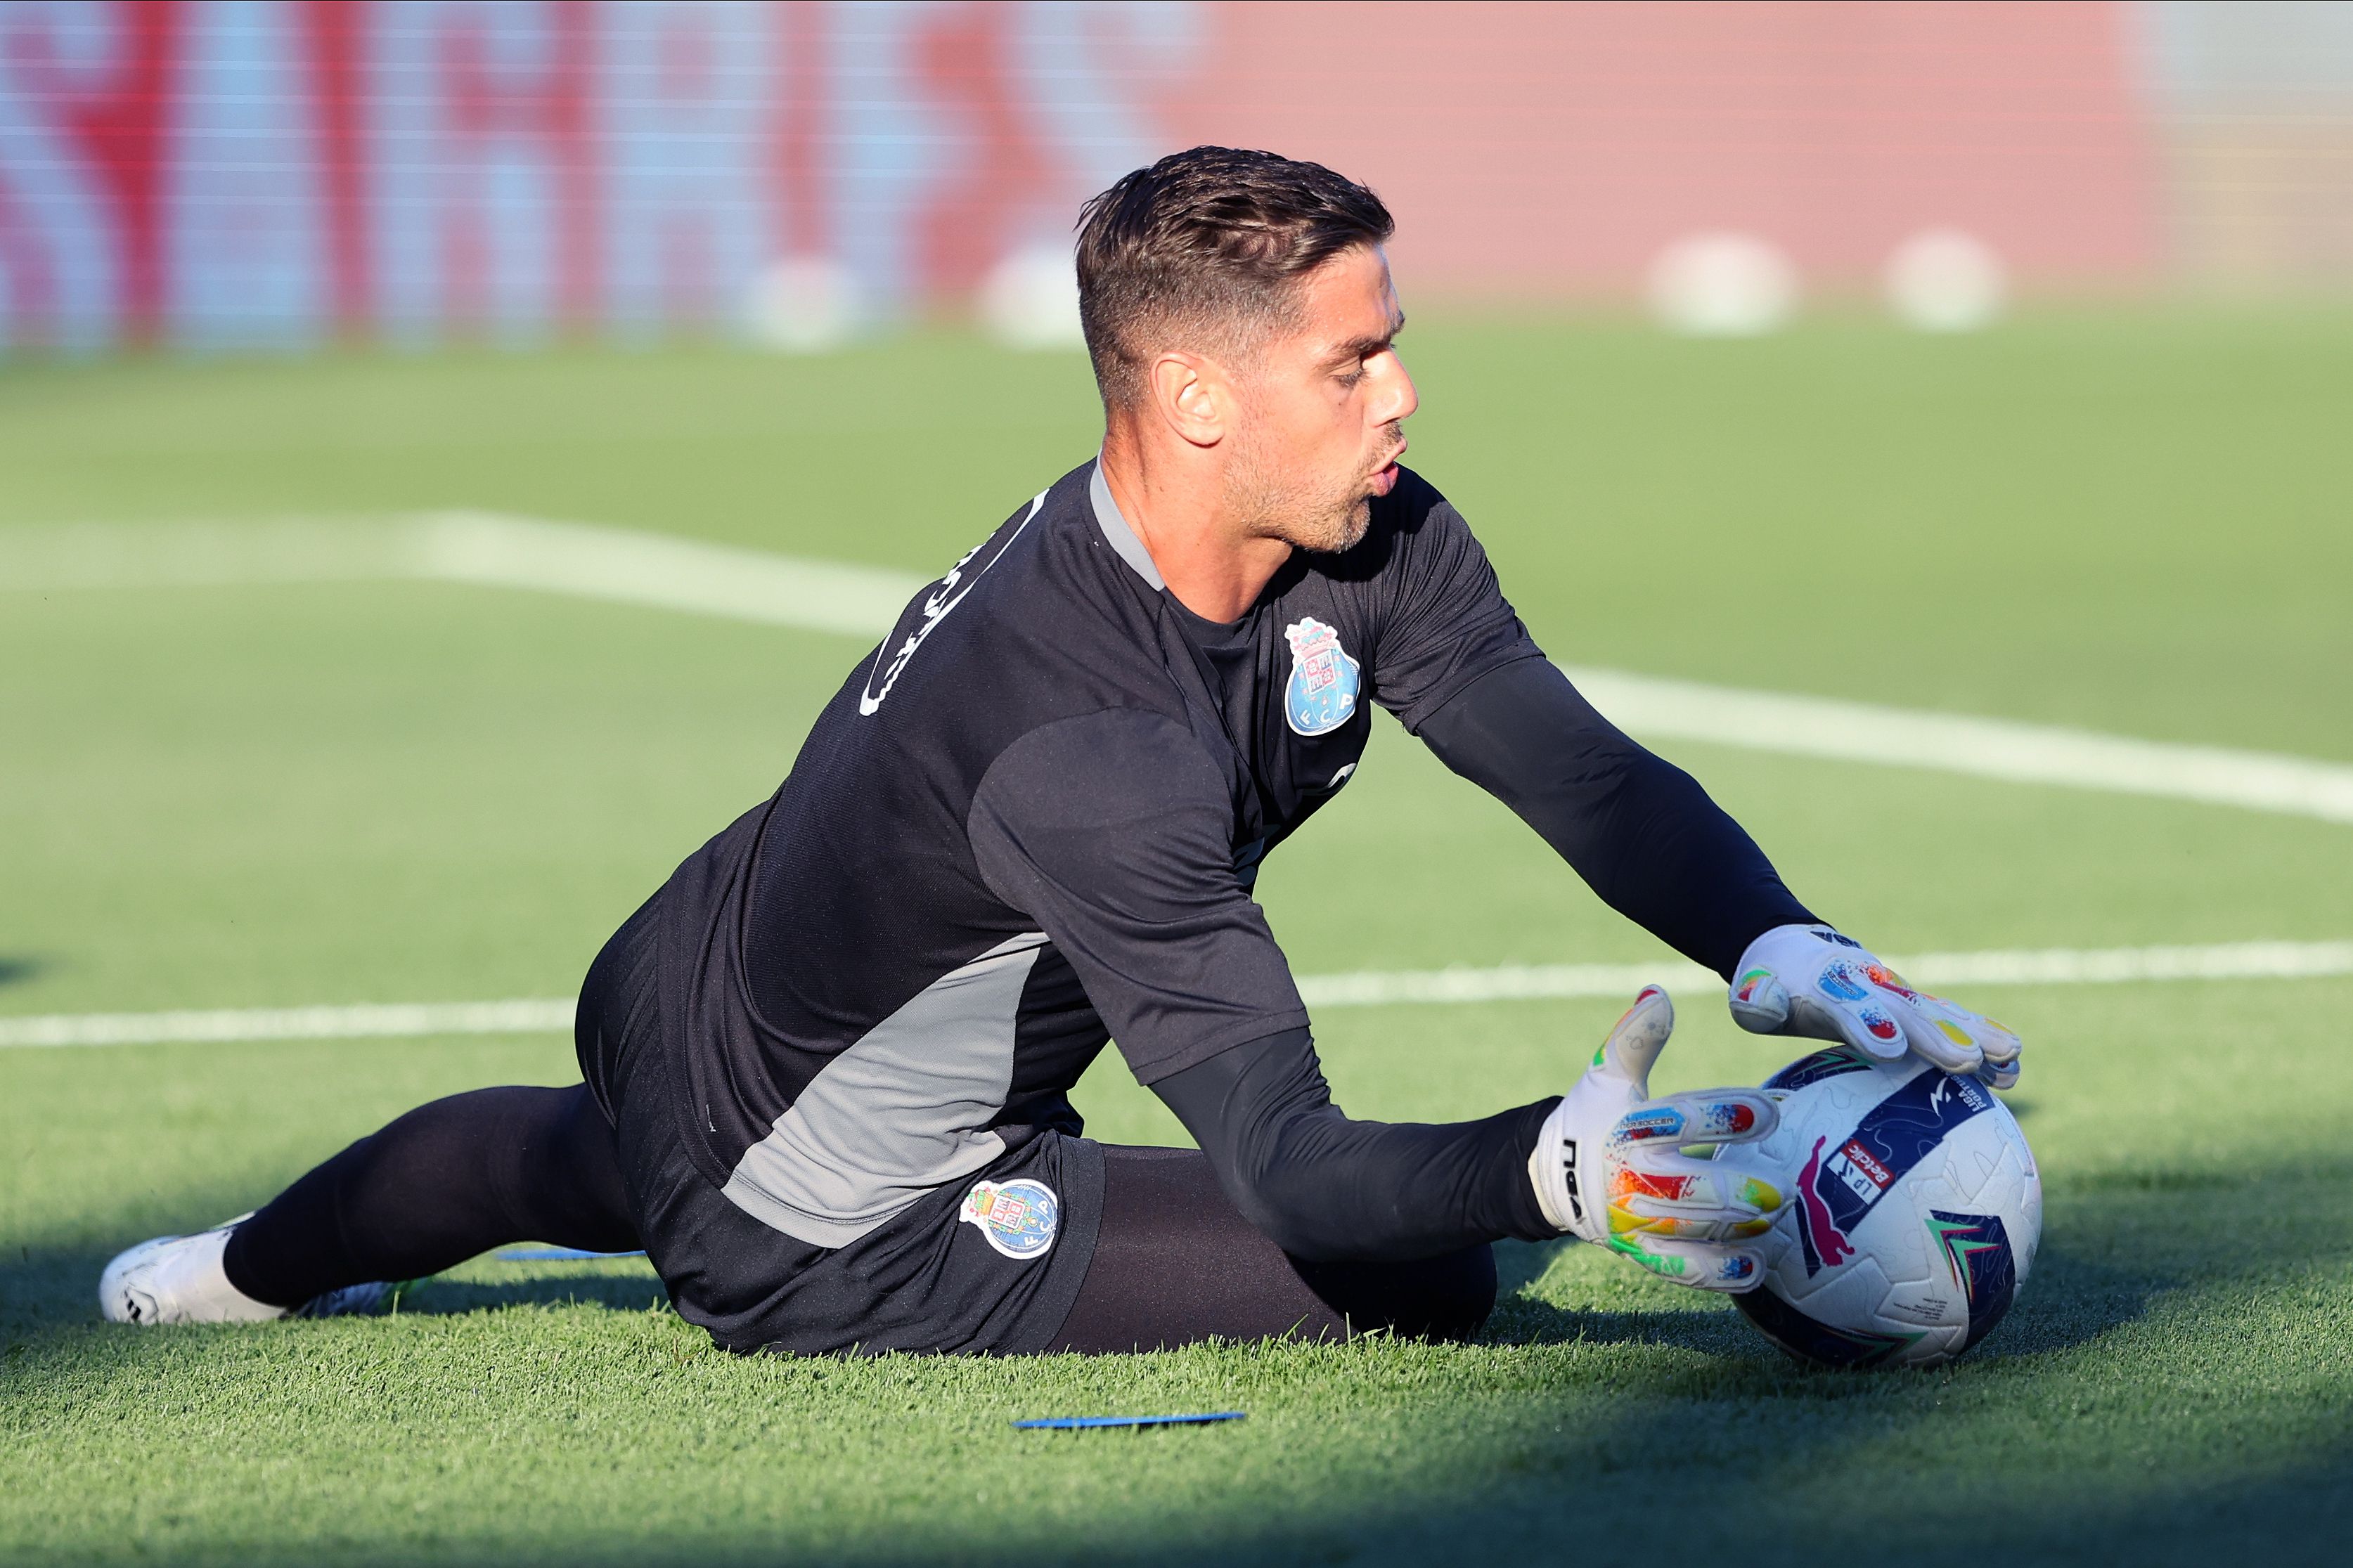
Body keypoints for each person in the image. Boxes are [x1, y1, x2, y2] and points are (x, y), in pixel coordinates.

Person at [100, 147, 2022, 1354]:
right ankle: (284, 1268)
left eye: (1391, 339)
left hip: (694, 970)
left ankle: (233, 1275)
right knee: (1426, 1277)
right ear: (1193, 399)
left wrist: (1771, 940)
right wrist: (1555, 1172)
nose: (1401, 394)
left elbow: (1581, 775)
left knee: (573, 1160)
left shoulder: (1364, 530)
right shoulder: (1089, 751)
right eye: (1348, 362)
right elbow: (1292, 1168)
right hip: (835, 1216)